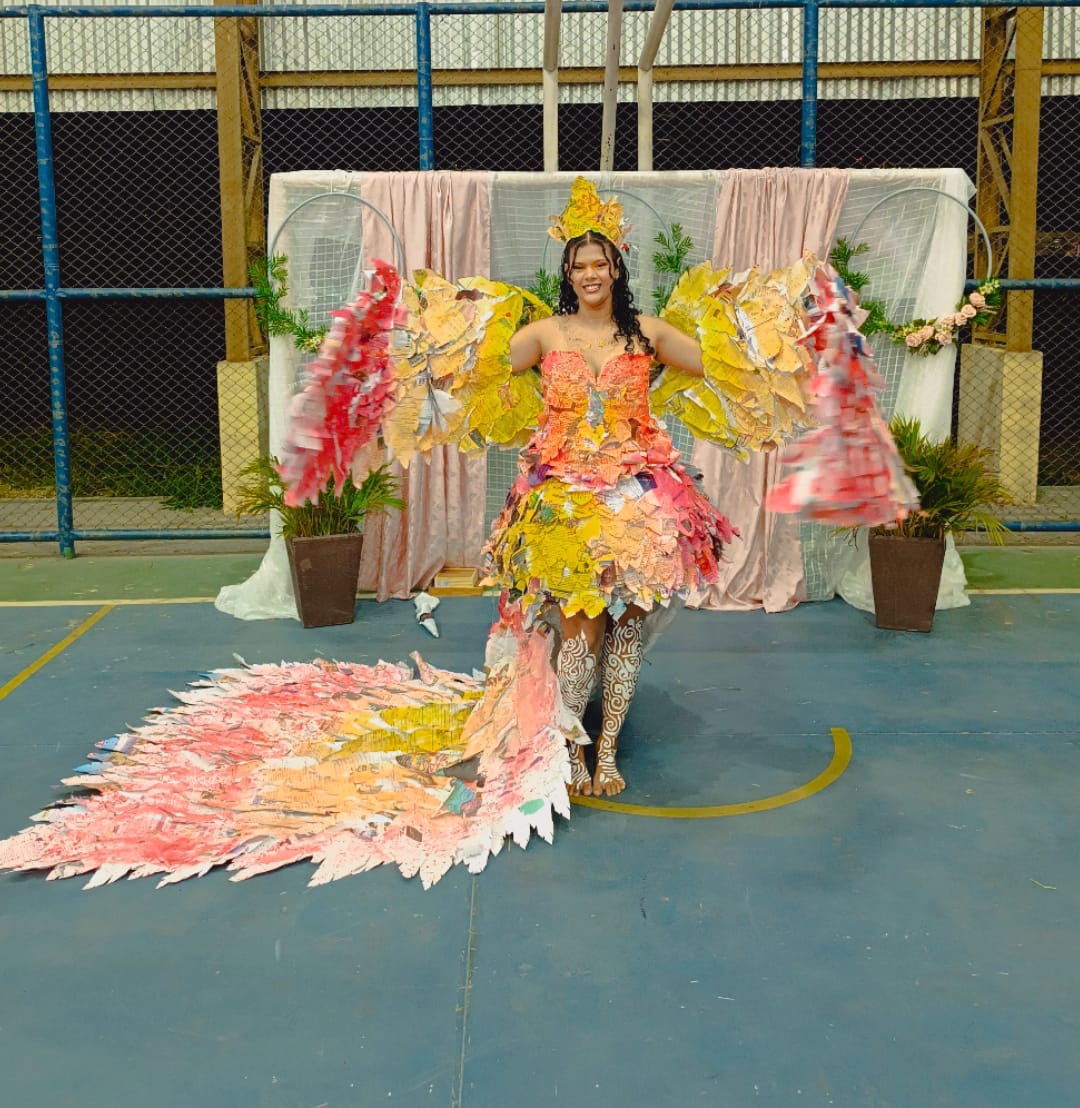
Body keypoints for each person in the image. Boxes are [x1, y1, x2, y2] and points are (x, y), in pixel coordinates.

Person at [480, 223, 737, 799]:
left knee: (626, 628)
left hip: (637, 502)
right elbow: (488, 366)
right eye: (579, 266)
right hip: (564, 501)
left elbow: (719, 366)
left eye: (600, 263)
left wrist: (754, 327)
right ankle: (572, 748)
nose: (590, 274)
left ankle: (610, 751)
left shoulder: (649, 334)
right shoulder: (545, 333)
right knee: (579, 628)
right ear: (567, 276)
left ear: (616, 269)